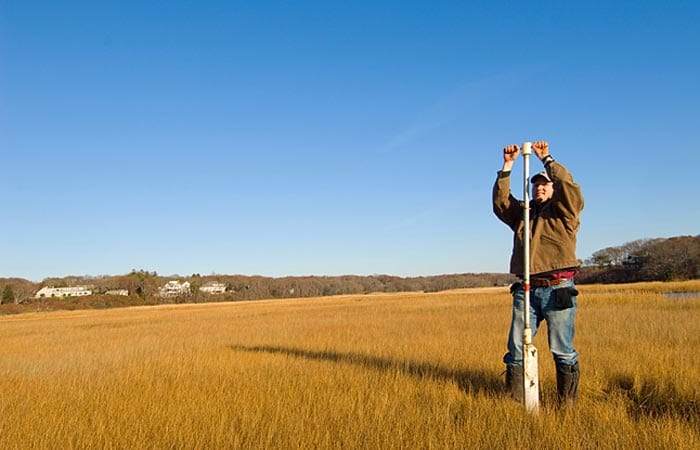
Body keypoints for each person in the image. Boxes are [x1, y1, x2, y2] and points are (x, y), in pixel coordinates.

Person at [492, 141, 584, 406]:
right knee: (516, 350)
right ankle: (518, 405)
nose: (539, 187)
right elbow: (501, 204)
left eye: (545, 184)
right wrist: (508, 166)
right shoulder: (524, 214)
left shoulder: (565, 211)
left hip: (559, 289)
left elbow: (569, 187)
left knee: (562, 350)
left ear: (553, 187)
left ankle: (566, 407)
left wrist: (547, 160)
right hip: (527, 290)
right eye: (535, 184)